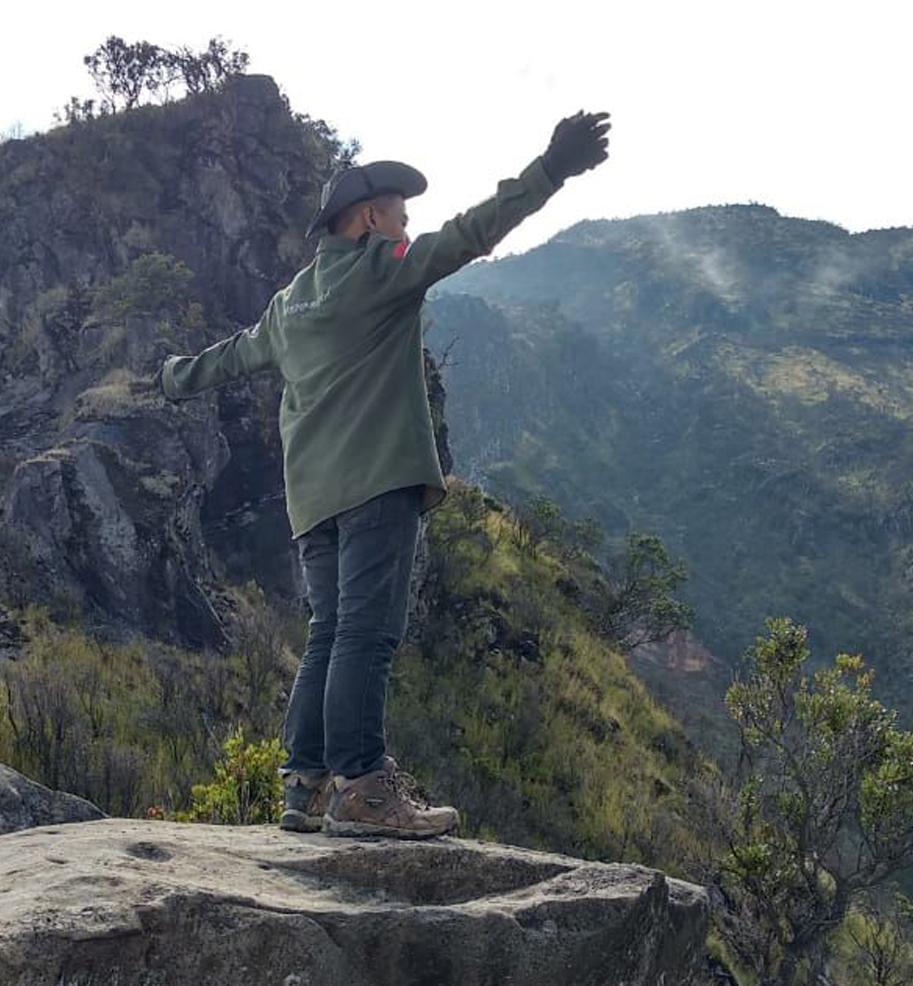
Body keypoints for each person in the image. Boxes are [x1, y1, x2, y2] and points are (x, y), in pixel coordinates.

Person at [158, 109, 611, 838]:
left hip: (312, 501)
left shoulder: (288, 303)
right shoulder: (381, 270)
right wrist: (550, 170)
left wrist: (172, 377)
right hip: (375, 487)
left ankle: (302, 785)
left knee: (328, 631)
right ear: (367, 219)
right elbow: (470, 234)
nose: (407, 226)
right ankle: (365, 791)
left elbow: (229, 356)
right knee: (366, 636)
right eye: (399, 214)